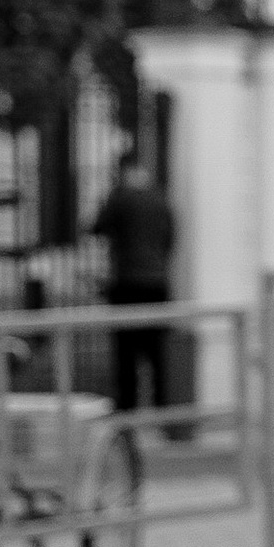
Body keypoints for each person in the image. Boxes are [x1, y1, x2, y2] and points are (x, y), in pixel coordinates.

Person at [91, 151, 176, 422]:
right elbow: (171, 239)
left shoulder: (120, 197)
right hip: (157, 283)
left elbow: (97, 226)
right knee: (156, 353)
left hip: (127, 283)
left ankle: (127, 415)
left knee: (125, 353)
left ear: (123, 171)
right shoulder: (160, 199)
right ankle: (164, 413)